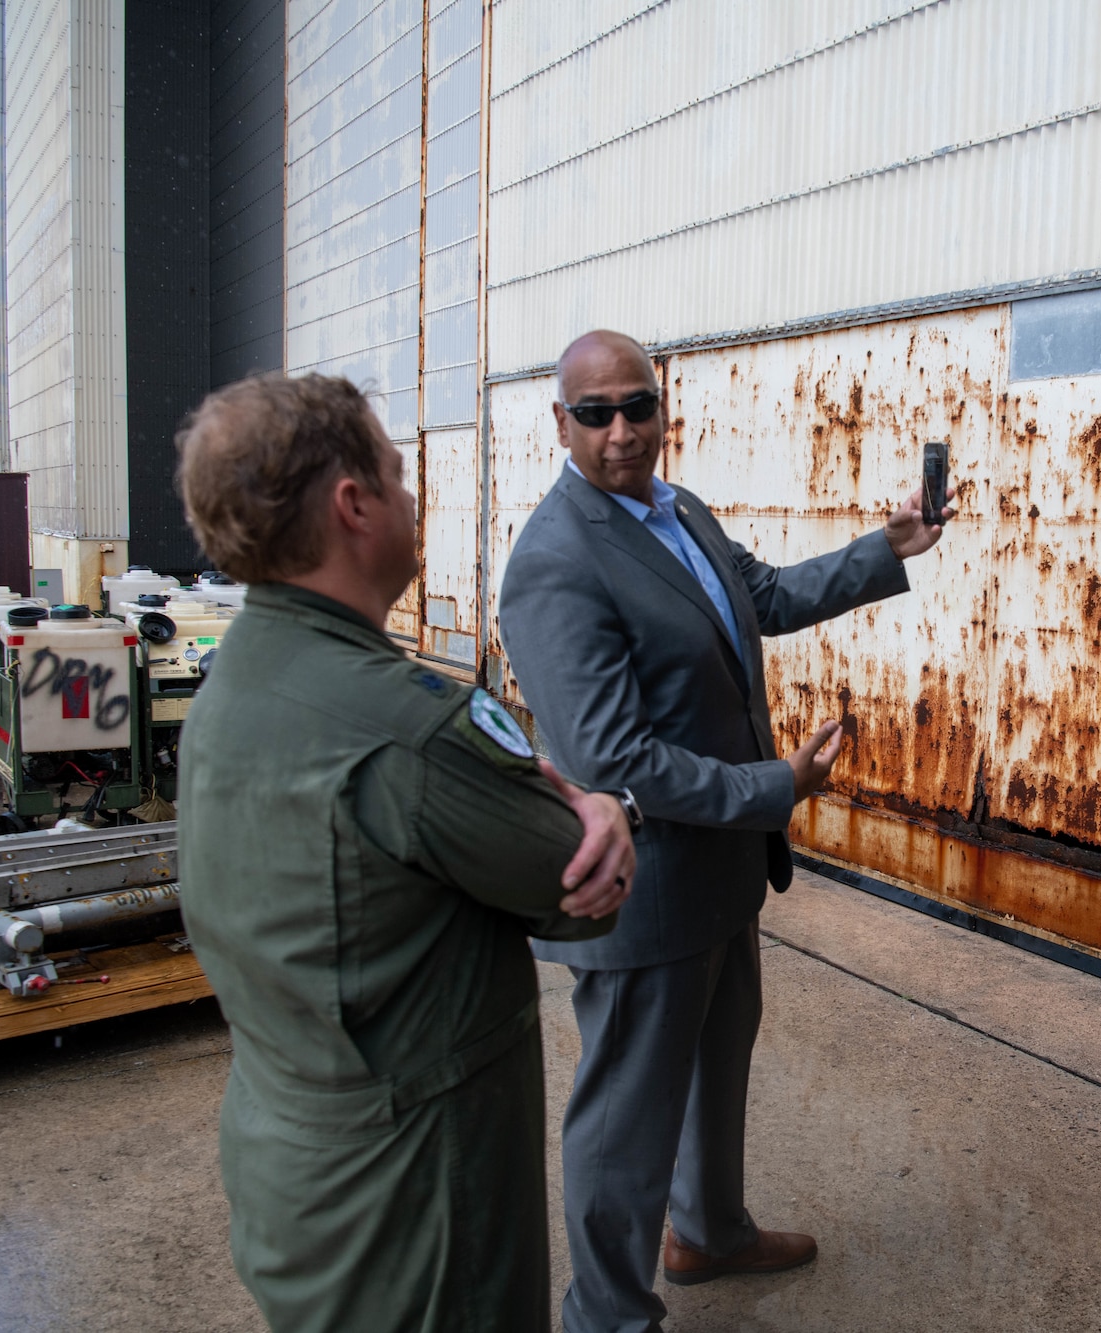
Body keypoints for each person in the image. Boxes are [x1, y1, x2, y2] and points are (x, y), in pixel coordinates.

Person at [497, 329, 951, 1333]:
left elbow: (765, 596)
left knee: (719, 1052)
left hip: (717, 874)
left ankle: (706, 1229)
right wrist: (774, 784)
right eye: (595, 413)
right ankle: (607, 1314)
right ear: (559, 423)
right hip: (645, 887)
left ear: (663, 407)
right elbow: (615, 760)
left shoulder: (676, 510)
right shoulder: (555, 562)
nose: (622, 431)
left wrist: (889, 548)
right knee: (624, 1119)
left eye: (638, 407)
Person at [174, 372, 636, 1332]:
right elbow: (584, 886)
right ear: (354, 505)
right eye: (396, 474)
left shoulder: (231, 686)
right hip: (417, 1205)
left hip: (290, 1167)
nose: (412, 498)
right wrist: (599, 808)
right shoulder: (404, 726)